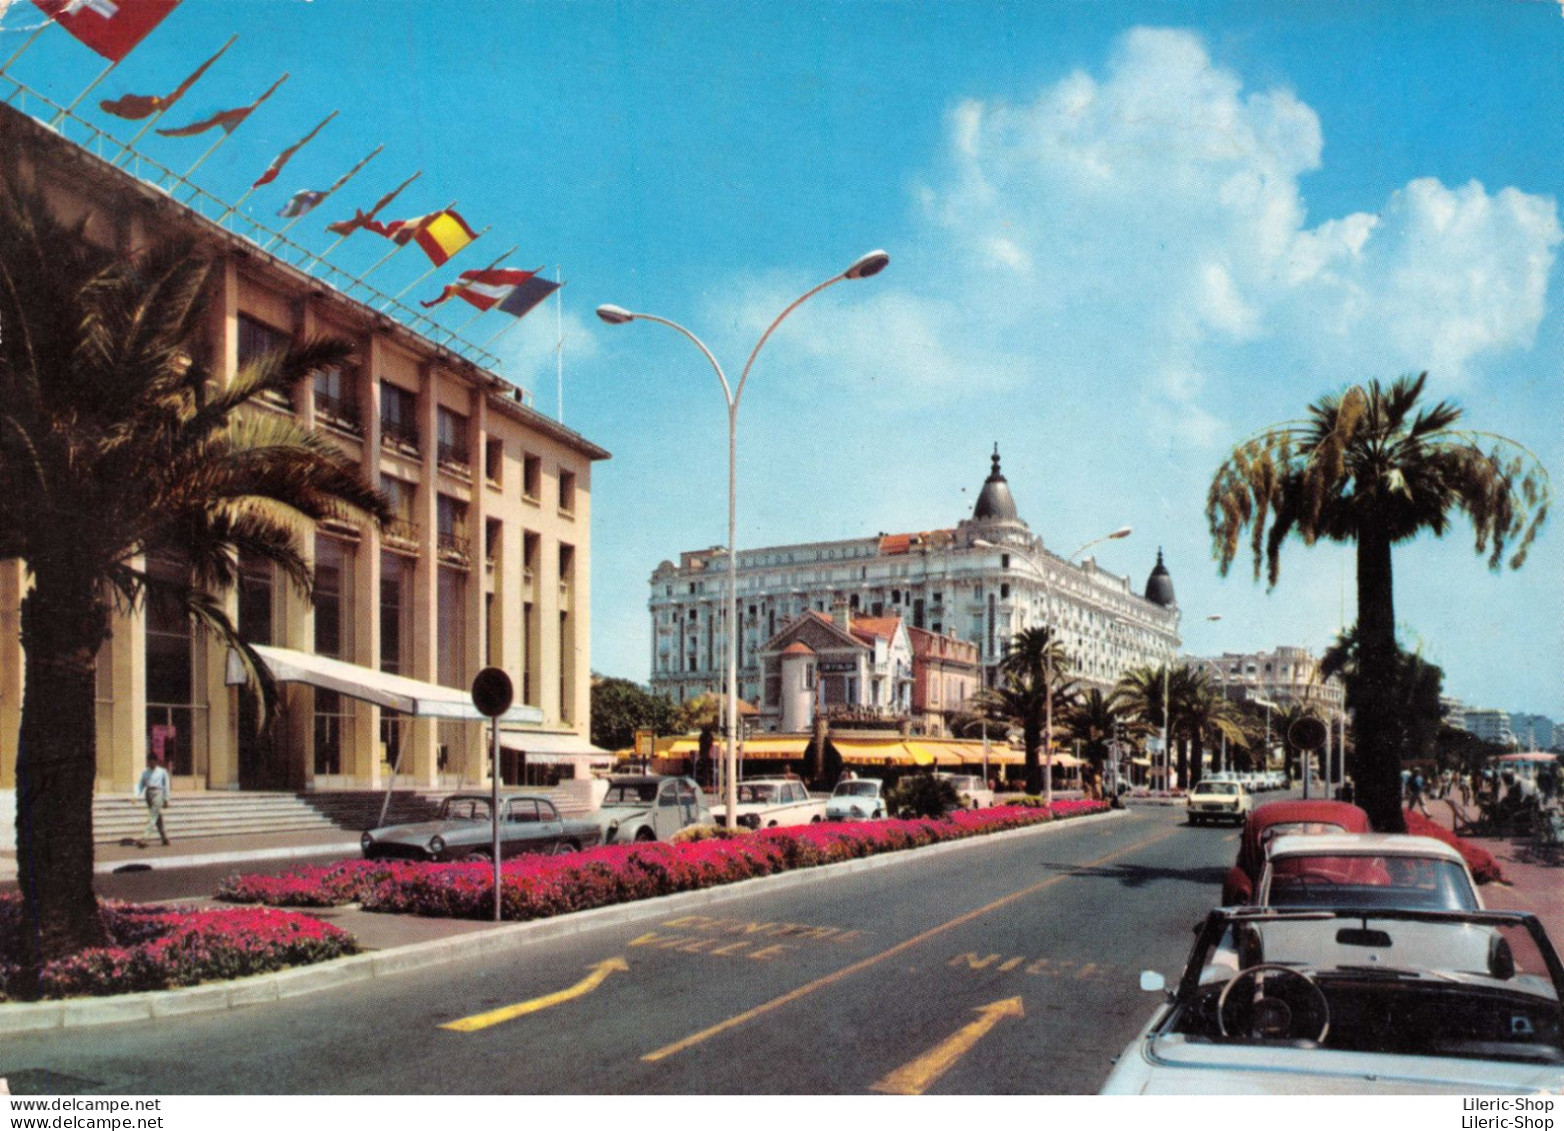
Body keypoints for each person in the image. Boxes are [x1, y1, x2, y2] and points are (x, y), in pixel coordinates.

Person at [136, 754, 171, 848]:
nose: (151, 763)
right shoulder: (145, 772)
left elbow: (166, 785)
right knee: (157, 817)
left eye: (153, 761)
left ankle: (145, 838)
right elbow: (141, 784)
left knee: (152, 815)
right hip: (148, 793)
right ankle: (165, 838)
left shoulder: (162, 772)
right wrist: (135, 795)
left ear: (156, 761)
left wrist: (166, 798)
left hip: (158, 792)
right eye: (149, 761)